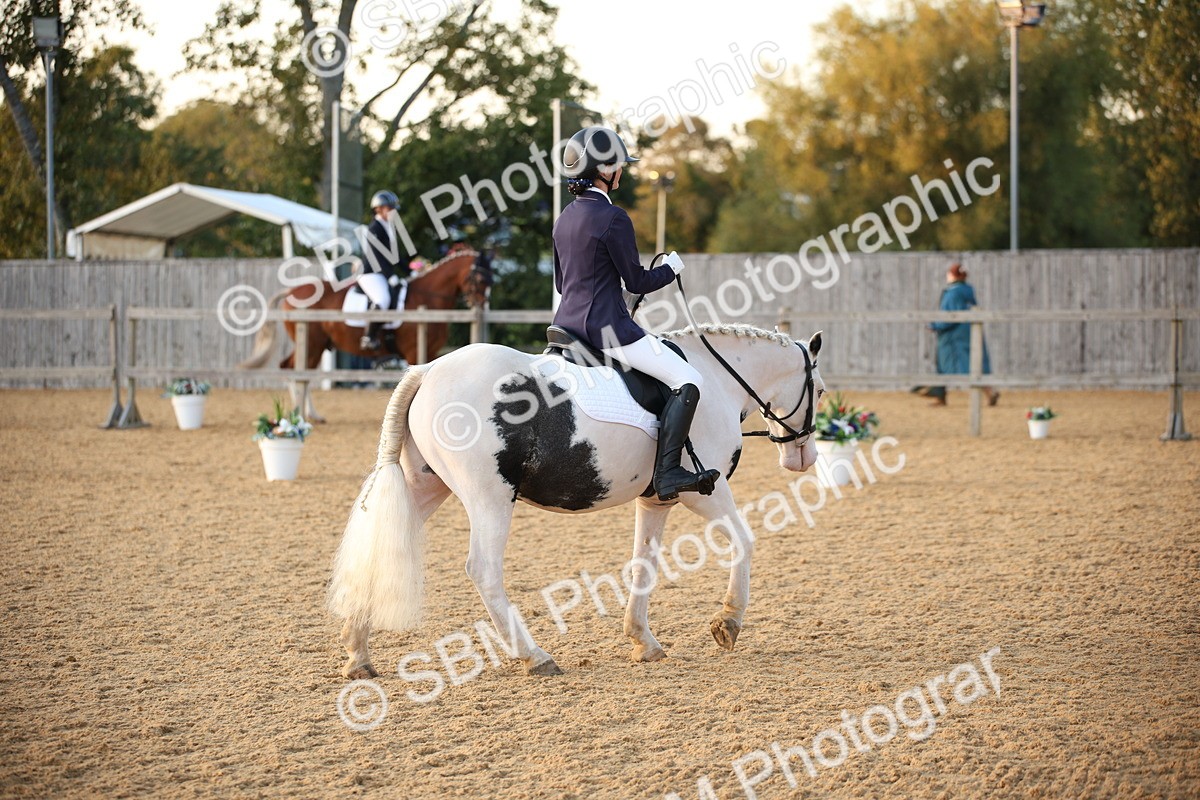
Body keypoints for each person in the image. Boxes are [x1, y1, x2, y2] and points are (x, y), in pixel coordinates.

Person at [552, 126, 720, 501]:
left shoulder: (564, 217)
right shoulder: (614, 218)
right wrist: (672, 269)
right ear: (605, 169)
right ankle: (669, 472)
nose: (622, 172)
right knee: (689, 378)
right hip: (607, 331)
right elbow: (638, 281)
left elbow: (563, 284)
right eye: (619, 166)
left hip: (564, 328)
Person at [924, 263, 998, 406]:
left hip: (953, 337)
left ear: (952, 275)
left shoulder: (953, 293)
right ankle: (940, 395)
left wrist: (934, 325)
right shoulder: (967, 291)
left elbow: (950, 316)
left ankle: (941, 395)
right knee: (974, 364)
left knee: (954, 365)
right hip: (970, 333)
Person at [359, 190, 408, 349]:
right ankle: (368, 336)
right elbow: (377, 257)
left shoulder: (388, 227)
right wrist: (390, 276)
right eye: (389, 208)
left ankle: (388, 332)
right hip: (370, 273)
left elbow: (395, 256)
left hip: (381, 273)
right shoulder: (374, 228)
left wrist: (409, 271)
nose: (393, 212)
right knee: (382, 299)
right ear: (378, 209)